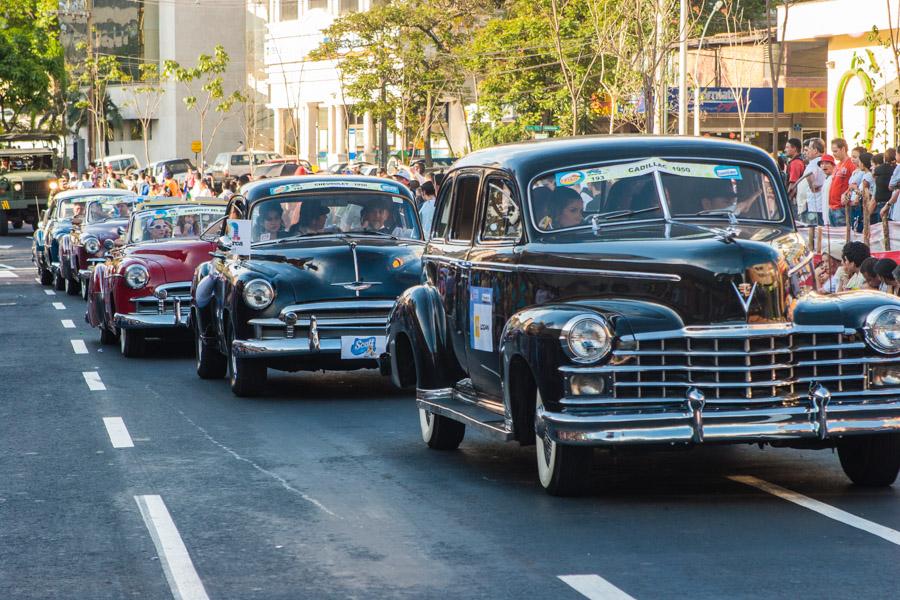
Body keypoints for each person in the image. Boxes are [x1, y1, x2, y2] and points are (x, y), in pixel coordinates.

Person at [784, 138, 805, 209]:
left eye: (787, 147)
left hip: (794, 201)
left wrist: (786, 201)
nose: (785, 150)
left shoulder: (795, 163)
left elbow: (793, 185)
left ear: (794, 149)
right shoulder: (800, 161)